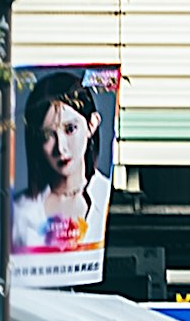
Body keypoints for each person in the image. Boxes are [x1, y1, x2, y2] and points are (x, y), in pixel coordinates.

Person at [8, 68, 112, 261]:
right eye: (48, 135)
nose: (61, 148)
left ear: (92, 124)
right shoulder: (23, 211)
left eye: (70, 129)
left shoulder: (108, 198)